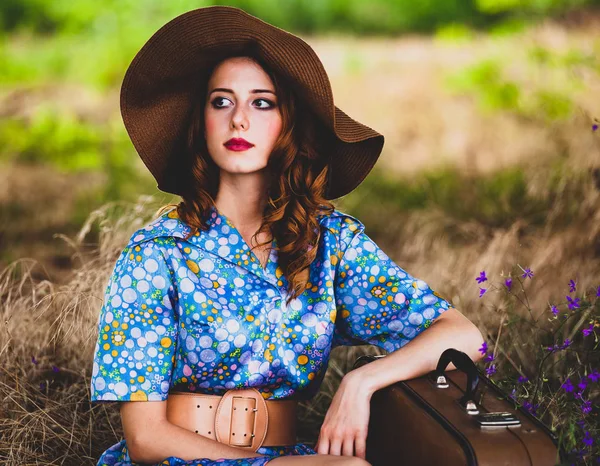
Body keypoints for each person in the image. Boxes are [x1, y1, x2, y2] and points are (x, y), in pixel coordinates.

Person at [89, 6, 485, 466]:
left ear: (288, 124)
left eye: (262, 102)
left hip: (292, 454)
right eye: (222, 101)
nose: (239, 120)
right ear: (202, 123)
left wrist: (365, 380)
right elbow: (145, 439)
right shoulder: (156, 255)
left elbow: (461, 335)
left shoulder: (330, 244)